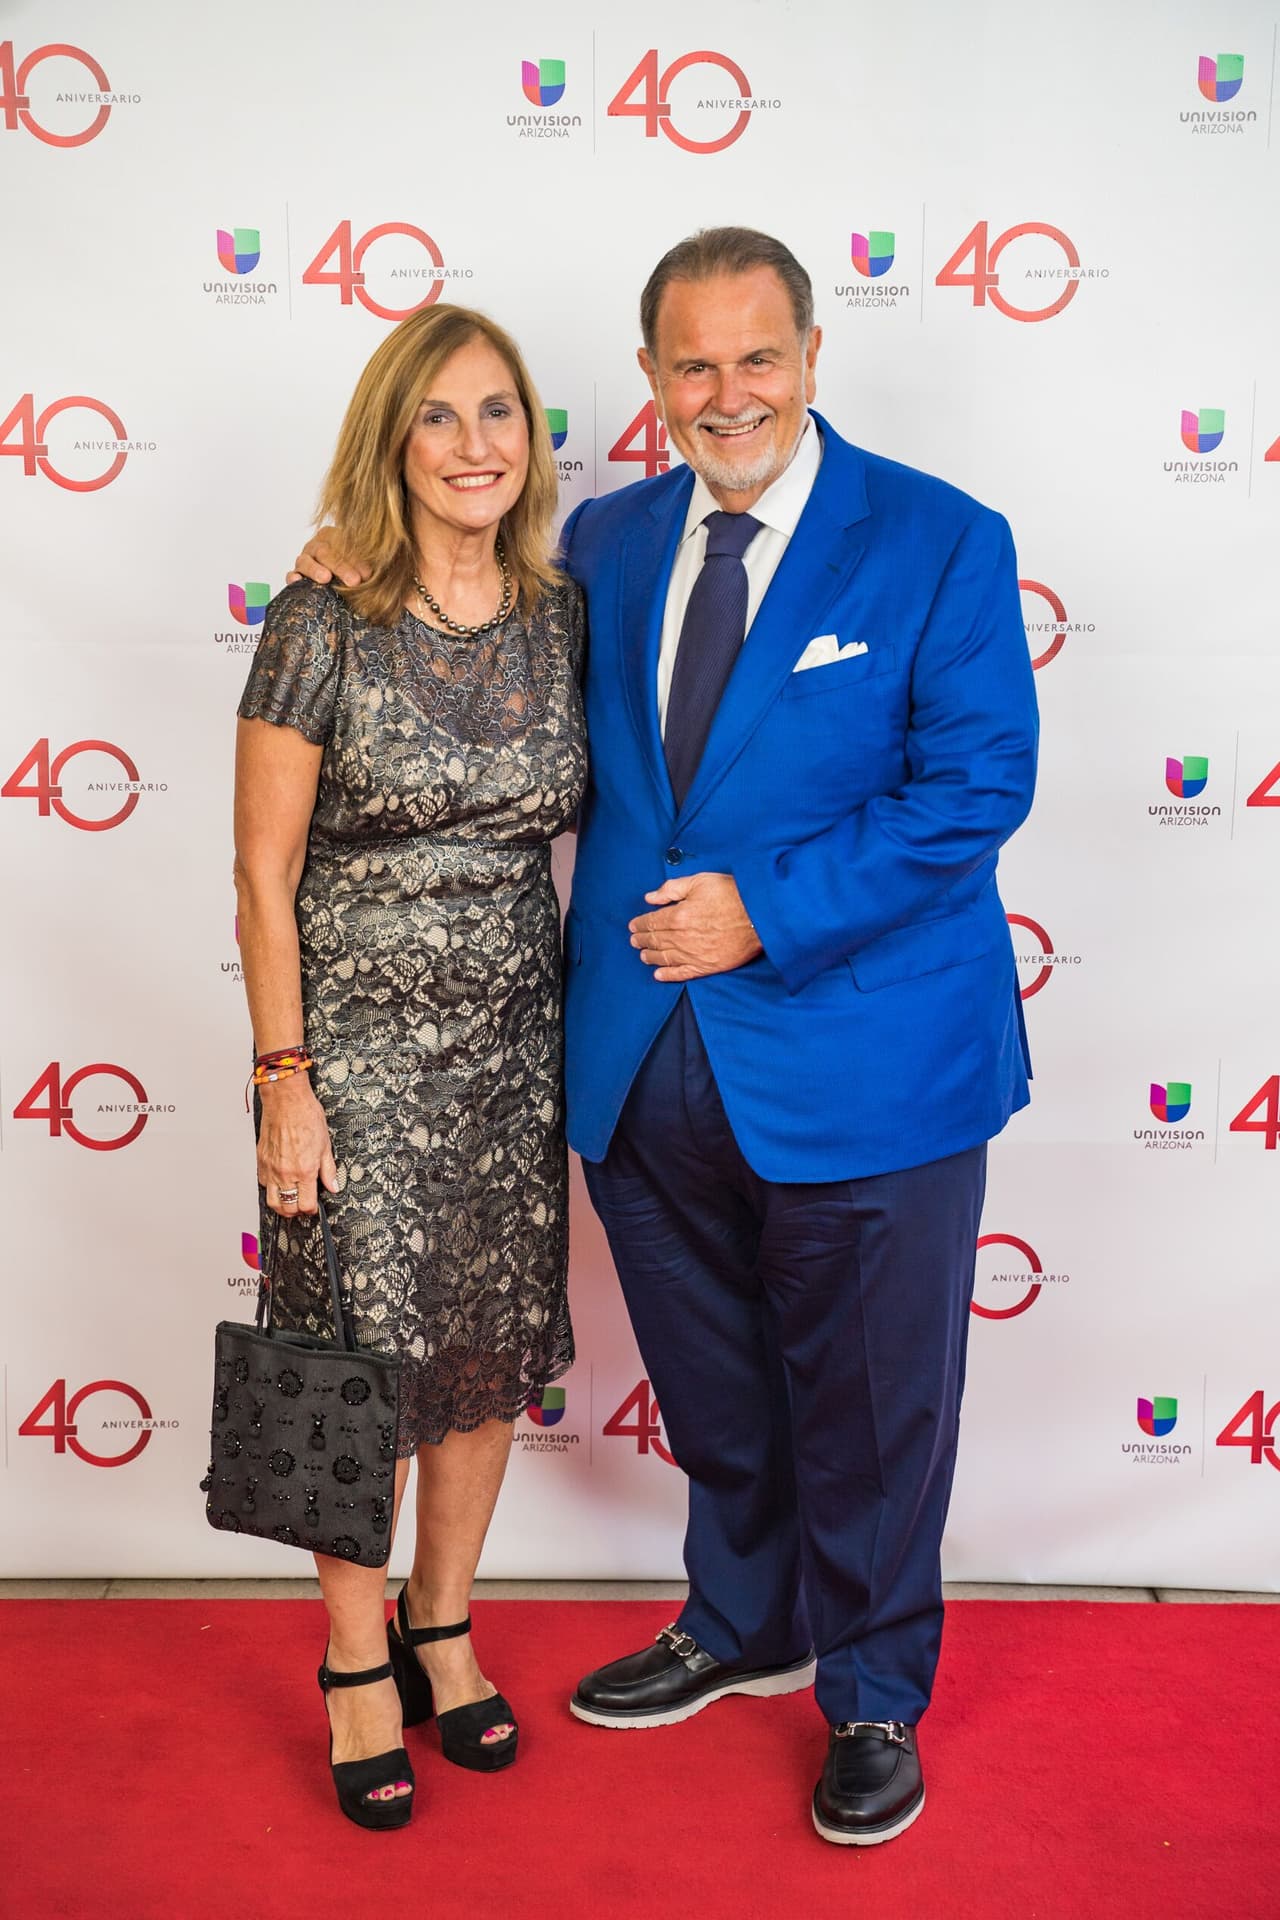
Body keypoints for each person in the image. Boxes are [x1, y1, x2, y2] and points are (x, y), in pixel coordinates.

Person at [295, 225, 1038, 1848]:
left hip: (867, 1064)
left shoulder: (939, 539)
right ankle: (741, 1620)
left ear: (814, 354)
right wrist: (354, 561)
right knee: (711, 1383)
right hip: (638, 1060)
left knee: (874, 1407)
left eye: (758, 356)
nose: (728, 392)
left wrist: (768, 908)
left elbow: (978, 786)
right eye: (693, 365)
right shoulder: (608, 543)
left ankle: (873, 1692)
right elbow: (468, 628)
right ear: (649, 378)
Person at [235, 302, 586, 1829]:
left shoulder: (563, 615)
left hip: (514, 1051)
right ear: (391, 440)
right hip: (353, 1061)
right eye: (436, 415)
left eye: (497, 409)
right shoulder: (320, 618)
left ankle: (443, 1623)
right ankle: (353, 1657)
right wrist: (282, 1074)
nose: (472, 442)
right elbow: (262, 874)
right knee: (344, 1364)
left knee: (486, 1349)